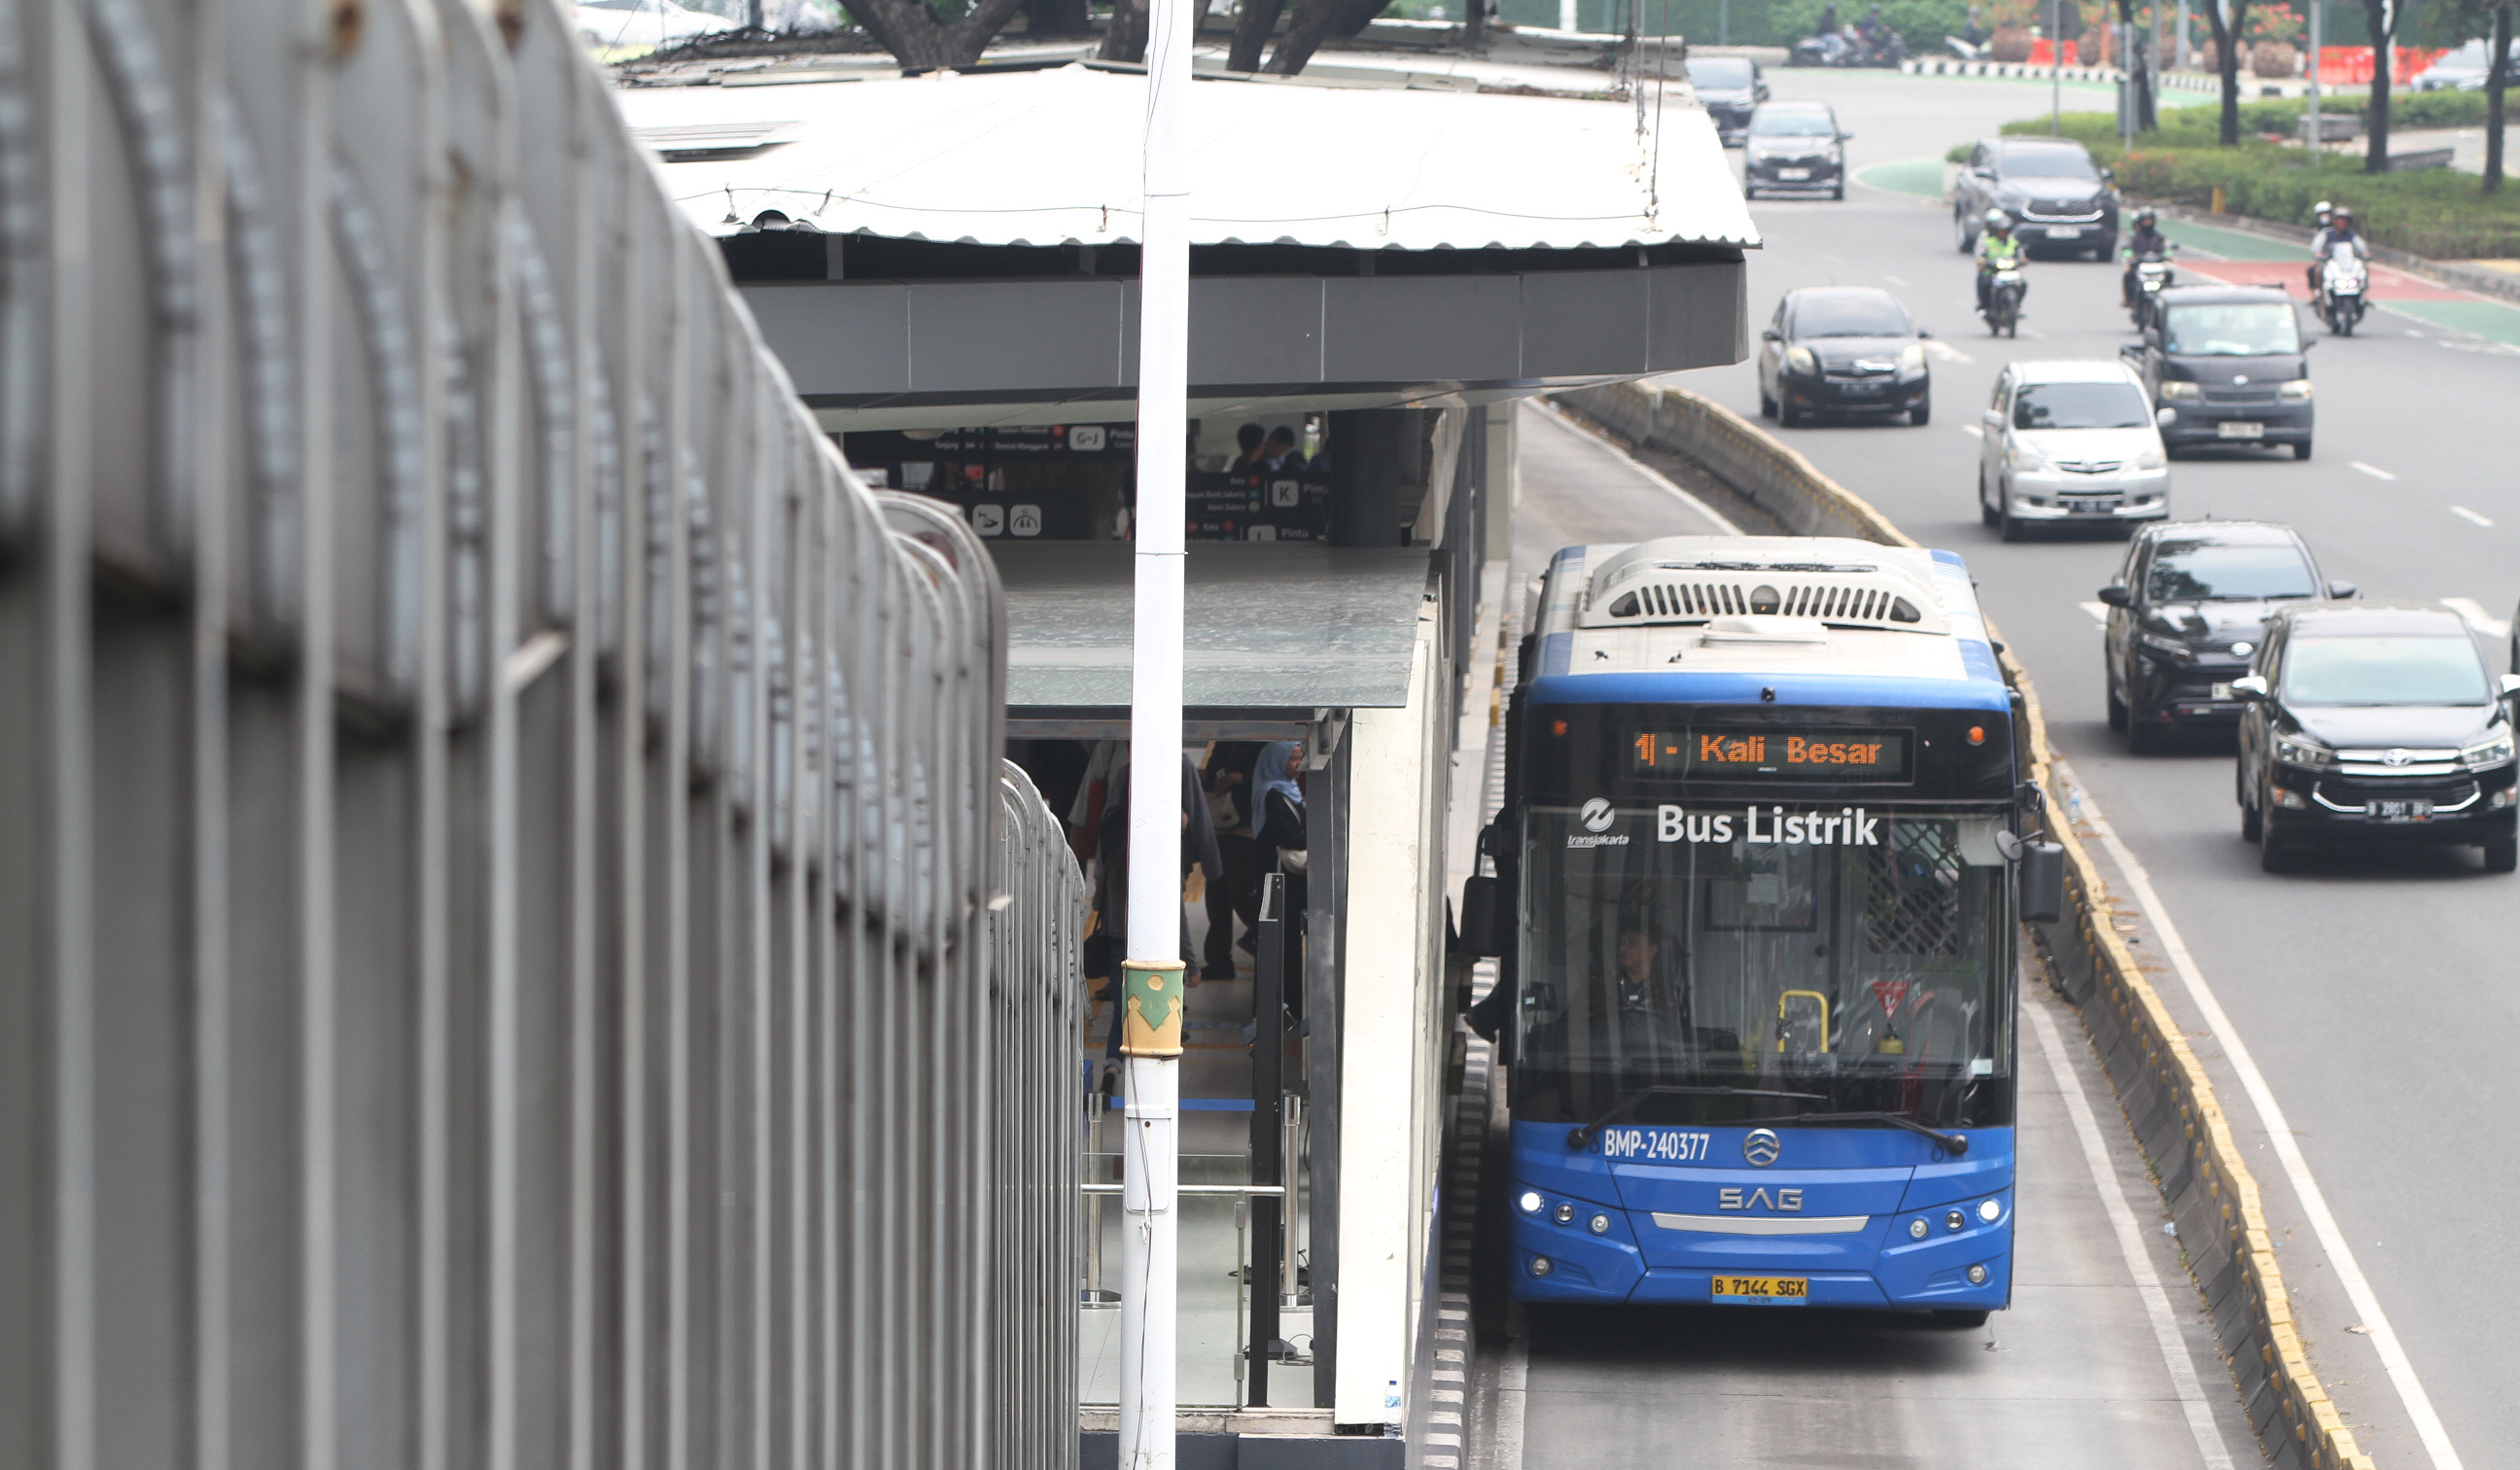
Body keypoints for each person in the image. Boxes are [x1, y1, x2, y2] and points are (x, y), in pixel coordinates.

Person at [1199, 741, 1265, 981]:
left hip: (1246, 831)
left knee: (1241, 895)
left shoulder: (1262, 741)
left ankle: (1265, 943)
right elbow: (1215, 770)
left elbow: (1268, 776)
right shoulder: (1226, 741)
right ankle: (1218, 959)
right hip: (1222, 827)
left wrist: (1239, 779)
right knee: (1217, 897)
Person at [2307, 203, 2368, 297]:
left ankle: (2363, 296)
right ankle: (2320, 294)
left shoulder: (2351, 234)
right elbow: (2317, 246)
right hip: (2329, 263)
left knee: (2363, 270)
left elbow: (2361, 245)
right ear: (2334, 220)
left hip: (2347, 264)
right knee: (2317, 271)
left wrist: (2365, 252)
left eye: (2344, 220)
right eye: (2339, 220)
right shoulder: (2326, 233)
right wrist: (2318, 254)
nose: (2341, 222)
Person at [1974, 209, 2023, 317]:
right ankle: (1985, 306)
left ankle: (2016, 306)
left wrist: (2020, 261)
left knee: (2022, 284)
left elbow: (2018, 253)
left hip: (2008, 270)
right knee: (1984, 282)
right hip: (1991, 270)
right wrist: (1982, 262)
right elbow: (1979, 253)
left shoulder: (2011, 240)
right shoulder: (1986, 238)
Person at [2120, 206, 2169, 307]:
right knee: (2128, 276)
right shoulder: (2133, 236)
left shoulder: (2159, 236)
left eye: (2149, 220)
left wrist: (2167, 256)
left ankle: (2167, 297)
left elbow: (2166, 249)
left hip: (2156, 265)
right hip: (2139, 264)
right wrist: (2130, 257)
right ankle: (2128, 299)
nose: (2147, 222)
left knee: (2169, 274)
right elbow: (2127, 249)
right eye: (2145, 220)